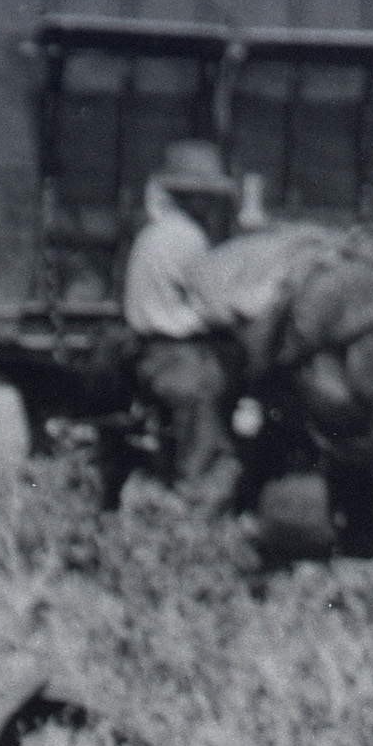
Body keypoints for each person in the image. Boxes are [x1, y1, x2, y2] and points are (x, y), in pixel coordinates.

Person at [122, 140, 241, 502]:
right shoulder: (188, 237)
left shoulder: (153, 232)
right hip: (175, 355)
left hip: (149, 350)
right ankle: (196, 499)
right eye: (202, 196)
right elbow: (211, 304)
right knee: (208, 413)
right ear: (190, 198)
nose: (208, 204)